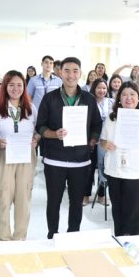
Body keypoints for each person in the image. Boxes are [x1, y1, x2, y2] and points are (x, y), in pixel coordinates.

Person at [35, 57, 102, 239]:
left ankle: (73, 235)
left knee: (76, 202)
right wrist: (53, 134)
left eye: (75, 71)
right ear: (60, 72)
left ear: (80, 73)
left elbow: (96, 124)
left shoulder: (89, 99)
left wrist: (93, 140)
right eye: (66, 70)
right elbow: (40, 126)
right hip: (54, 159)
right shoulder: (50, 98)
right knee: (54, 201)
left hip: (80, 160)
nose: (71, 75)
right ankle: (52, 234)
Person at [101, 82, 139, 236]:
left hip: (137, 174)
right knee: (118, 212)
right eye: (124, 94)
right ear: (119, 99)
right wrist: (105, 144)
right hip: (115, 172)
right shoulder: (111, 118)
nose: (129, 98)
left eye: (132, 94)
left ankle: (132, 245)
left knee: (134, 215)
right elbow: (102, 141)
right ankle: (119, 242)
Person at [0, 70, 39, 241]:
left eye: (19, 85)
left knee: (23, 199)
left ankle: (20, 239)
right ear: (5, 87)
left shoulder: (31, 108)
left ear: (24, 87)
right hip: (3, 156)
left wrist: (36, 139)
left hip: (26, 157)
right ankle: (4, 239)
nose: (16, 89)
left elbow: (38, 130)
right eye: (11, 85)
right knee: (3, 198)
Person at [85, 78, 113, 206]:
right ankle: (85, 195)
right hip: (91, 140)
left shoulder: (111, 102)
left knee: (104, 168)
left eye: (104, 88)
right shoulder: (89, 102)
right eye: (99, 88)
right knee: (89, 169)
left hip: (106, 141)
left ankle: (101, 195)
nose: (102, 90)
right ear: (94, 89)